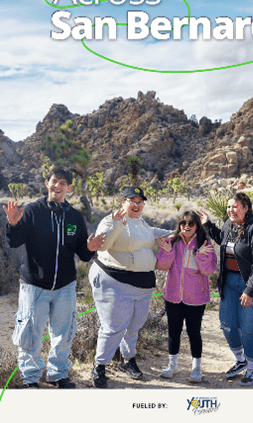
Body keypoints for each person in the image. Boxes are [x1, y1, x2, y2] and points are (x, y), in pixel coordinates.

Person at [4, 166, 105, 389]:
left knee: (63, 331)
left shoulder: (75, 217)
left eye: (62, 183)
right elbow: (15, 241)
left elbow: (83, 253)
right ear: (47, 183)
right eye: (54, 181)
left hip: (65, 286)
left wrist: (90, 247)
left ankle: (58, 374)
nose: (57, 186)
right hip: (34, 285)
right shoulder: (32, 210)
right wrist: (12, 225)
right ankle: (30, 378)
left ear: (69, 188)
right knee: (30, 332)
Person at [89, 186, 174, 388]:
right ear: (123, 202)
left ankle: (128, 361)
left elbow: (152, 233)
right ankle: (100, 365)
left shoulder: (141, 222)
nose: (136, 205)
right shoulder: (111, 220)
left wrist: (178, 233)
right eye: (132, 201)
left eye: (140, 202)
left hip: (142, 285)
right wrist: (117, 224)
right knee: (113, 326)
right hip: (115, 281)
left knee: (135, 325)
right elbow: (103, 245)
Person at [199, 193, 253, 385]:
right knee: (227, 324)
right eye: (228, 207)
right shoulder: (230, 225)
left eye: (235, 207)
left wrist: (250, 290)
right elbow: (223, 240)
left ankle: (252, 368)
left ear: (246, 208)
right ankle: (240, 360)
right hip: (230, 282)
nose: (231, 210)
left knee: (250, 328)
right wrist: (208, 225)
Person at [155, 210, 217, 383]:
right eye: (183, 223)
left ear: (197, 225)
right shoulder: (172, 241)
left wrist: (201, 255)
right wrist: (168, 252)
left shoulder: (204, 243)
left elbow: (208, 270)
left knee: (193, 332)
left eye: (191, 223)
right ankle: (172, 365)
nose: (187, 226)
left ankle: (196, 368)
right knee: (173, 331)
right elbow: (161, 265)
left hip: (196, 297)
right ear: (179, 224)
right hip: (173, 295)